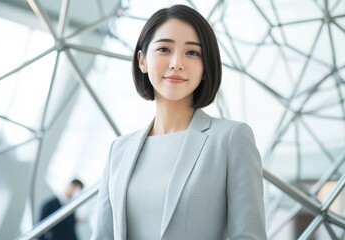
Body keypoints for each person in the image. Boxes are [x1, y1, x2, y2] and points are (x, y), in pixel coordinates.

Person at [91, 4, 266, 240]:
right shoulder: (119, 151)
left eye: (192, 53)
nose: (176, 63)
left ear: (205, 67)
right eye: (164, 49)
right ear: (142, 60)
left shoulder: (231, 139)